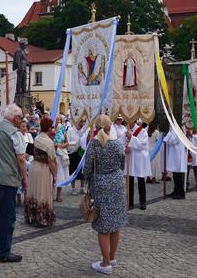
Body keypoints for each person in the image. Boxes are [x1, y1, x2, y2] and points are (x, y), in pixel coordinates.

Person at [82, 114, 127, 274]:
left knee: (103, 226)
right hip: (117, 183)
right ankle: (111, 257)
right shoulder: (117, 144)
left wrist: (87, 184)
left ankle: (105, 263)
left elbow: (87, 168)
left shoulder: (94, 144)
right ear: (110, 126)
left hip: (101, 185)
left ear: (96, 127)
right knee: (115, 223)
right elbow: (122, 162)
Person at [0, 104, 27, 263]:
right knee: (7, 216)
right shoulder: (14, 133)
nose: (21, 120)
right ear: (15, 118)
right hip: (8, 179)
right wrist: (25, 178)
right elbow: (21, 158)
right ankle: (2, 252)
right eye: (21, 118)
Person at [25, 117, 57, 227]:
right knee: (43, 192)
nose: (52, 129)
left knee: (34, 191)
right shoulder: (49, 142)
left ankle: (32, 216)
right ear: (48, 128)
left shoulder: (37, 138)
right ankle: (42, 217)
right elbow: (51, 161)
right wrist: (55, 175)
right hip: (44, 169)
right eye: (51, 127)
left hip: (34, 167)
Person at [126, 120, 151, 210]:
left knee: (141, 180)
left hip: (139, 159)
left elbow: (142, 144)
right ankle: (130, 202)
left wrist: (131, 137)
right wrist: (125, 148)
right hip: (130, 158)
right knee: (130, 180)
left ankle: (143, 202)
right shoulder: (126, 130)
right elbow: (122, 143)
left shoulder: (142, 131)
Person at [164, 125, 188, 199]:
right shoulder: (173, 128)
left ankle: (181, 193)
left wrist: (168, 136)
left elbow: (172, 141)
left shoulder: (177, 128)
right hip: (174, 154)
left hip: (177, 154)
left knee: (178, 174)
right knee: (175, 173)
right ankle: (176, 190)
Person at [53, 114, 69, 202]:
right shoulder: (51, 130)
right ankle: (50, 194)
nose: (58, 121)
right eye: (56, 120)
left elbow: (67, 143)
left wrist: (61, 145)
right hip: (52, 155)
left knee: (60, 176)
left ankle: (58, 195)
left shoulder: (63, 129)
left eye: (59, 120)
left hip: (61, 155)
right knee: (52, 175)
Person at [66, 120, 85, 195]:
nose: (81, 124)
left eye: (82, 122)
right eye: (80, 122)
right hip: (72, 153)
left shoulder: (82, 130)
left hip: (80, 153)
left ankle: (82, 188)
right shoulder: (70, 130)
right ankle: (73, 188)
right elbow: (67, 142)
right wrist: (76, 143)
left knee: (82, 171)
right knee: (73, 170)